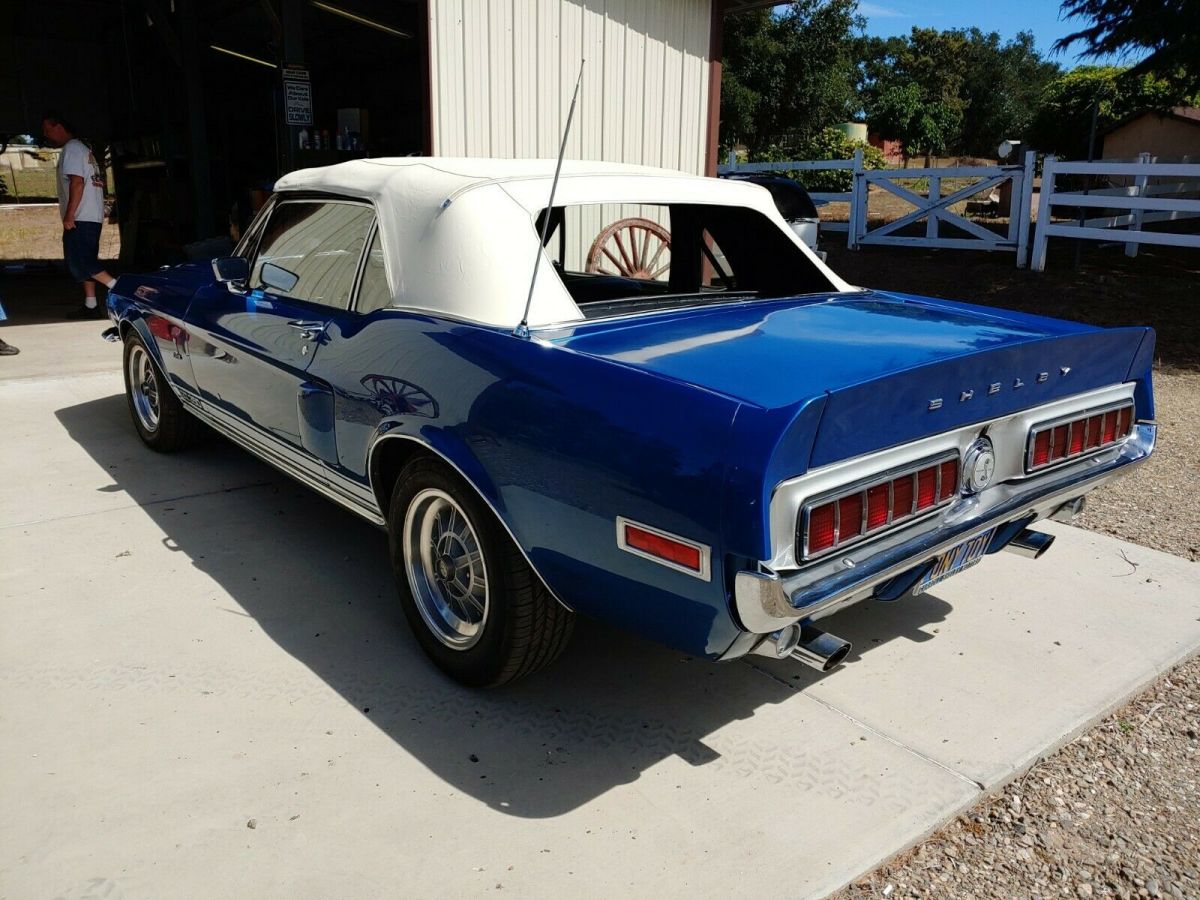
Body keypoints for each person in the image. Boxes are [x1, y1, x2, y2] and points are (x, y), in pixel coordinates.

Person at [42, 113, 116, 319]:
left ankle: (122, 290)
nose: (46, 135)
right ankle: (91, 305)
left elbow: (77, 182)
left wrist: (69, 215)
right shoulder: (83, 149)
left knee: (83, 263)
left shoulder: (72, 148)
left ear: (59, 127)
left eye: (47, 130)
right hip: (90, 216)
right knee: (86, 261)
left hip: (81, 217)